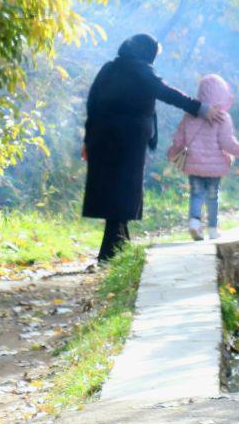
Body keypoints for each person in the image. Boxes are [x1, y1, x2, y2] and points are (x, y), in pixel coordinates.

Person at [81, 33, 220, 263]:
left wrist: (87, 140)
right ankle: (109, 254)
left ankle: (118, 248)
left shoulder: (108, 69)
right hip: (128, 139)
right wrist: (202, 108)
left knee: (112, 190)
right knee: (123, 191)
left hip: (101, 137)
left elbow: (91, 104)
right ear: (148, 53)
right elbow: (168, 94)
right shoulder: (142, 71)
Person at [167, 74, 239, 240]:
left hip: (193, 164)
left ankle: (194, 222)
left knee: (196, 194)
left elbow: (179, 139)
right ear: (222, 95)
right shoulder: (222, 117)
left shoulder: (190, 115)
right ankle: (213, 229)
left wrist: (172, 152)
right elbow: (228, 143)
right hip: (215, 168)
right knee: (212, 197)